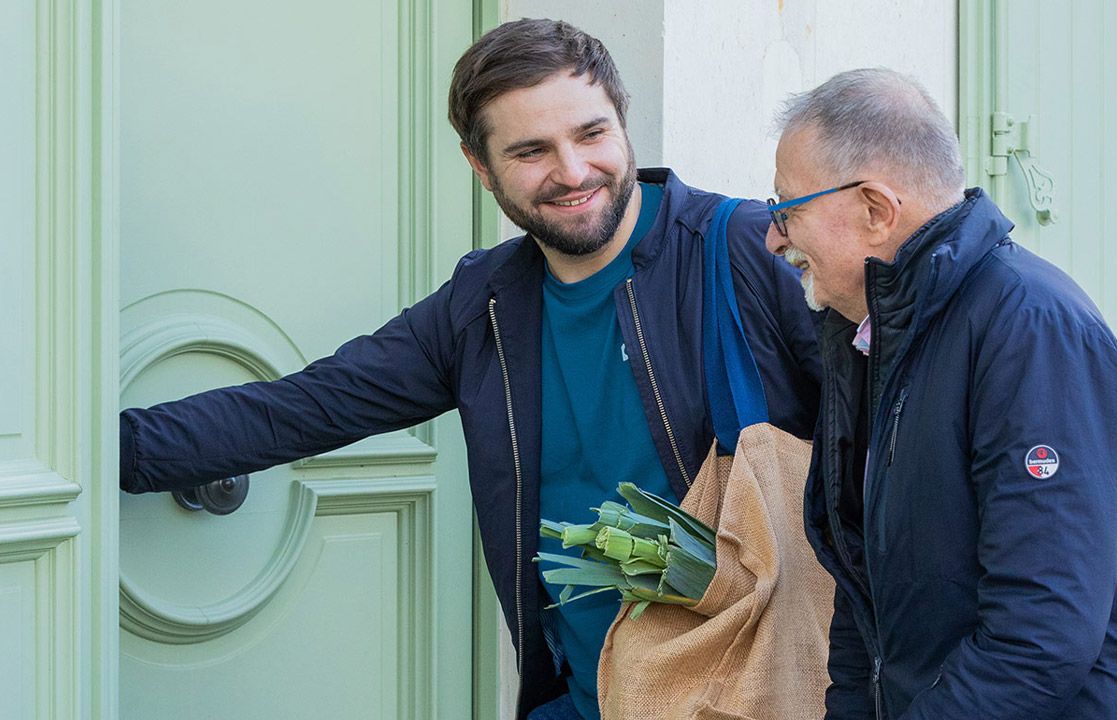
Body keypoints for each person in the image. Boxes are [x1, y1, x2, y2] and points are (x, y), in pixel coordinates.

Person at [119, 19, 821, 720]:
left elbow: (888, 465)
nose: (573, 171)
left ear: (622, 120)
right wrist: (92, 450)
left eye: (591, 134)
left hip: (760, 688)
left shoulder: (746, 250)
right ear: (479, 165)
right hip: (589, 699)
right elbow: (303, 407)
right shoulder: (484, 307)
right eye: (531, 151)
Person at [763, 68, 1117, 719]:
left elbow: (1039, 638)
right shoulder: (870, 334)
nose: (774, 238)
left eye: (786, 210)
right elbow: (865, 605)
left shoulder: (1033, 329)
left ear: (876, 210)